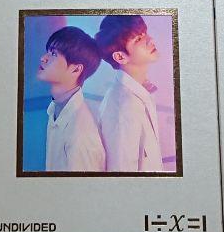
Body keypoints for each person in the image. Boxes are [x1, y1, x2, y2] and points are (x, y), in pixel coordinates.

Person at [95, 14, 165, 173]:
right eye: (138, 39)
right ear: (120, 56)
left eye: (145, 33)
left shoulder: (140, 92)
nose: (150, 40)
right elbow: (121, 175)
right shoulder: (123, 106)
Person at [36, 26, 105, 172]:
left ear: (76, 69)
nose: (43, 58)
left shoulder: (80, 134)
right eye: (48, 51)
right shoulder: (56, 109)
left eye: (53, 54)